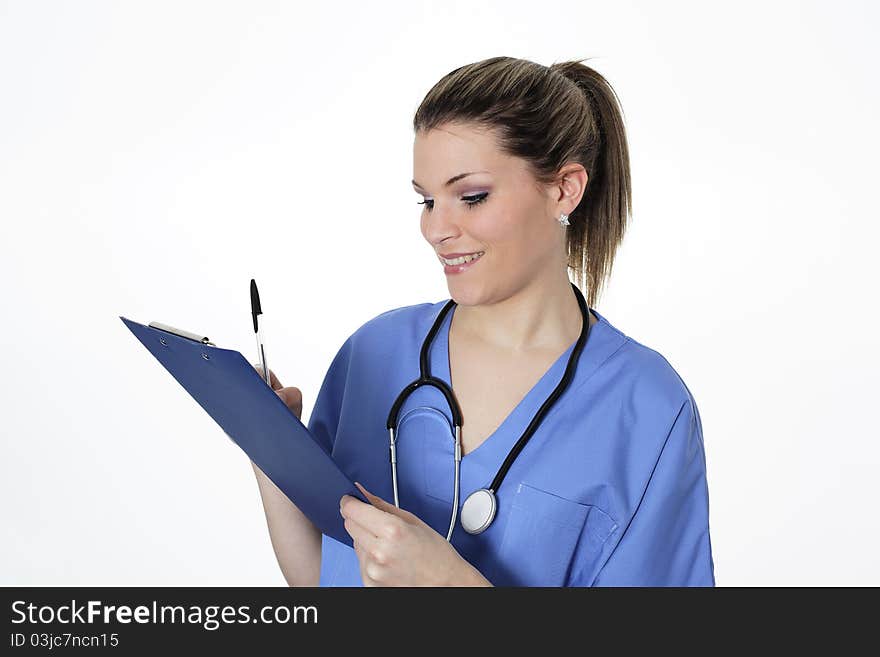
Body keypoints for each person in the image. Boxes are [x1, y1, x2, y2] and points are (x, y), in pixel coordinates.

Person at [252, 56, 715, 587]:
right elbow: (324, 581)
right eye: (427, 200)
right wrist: (267, 449)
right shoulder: (373, 354)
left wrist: (451, 584)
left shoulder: (647, 408)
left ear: (564, 188)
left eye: (471, 197)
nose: (436, 229)